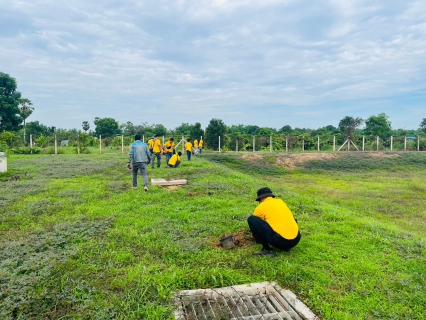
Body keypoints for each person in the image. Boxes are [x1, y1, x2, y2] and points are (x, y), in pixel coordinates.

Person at [247, 187, 301, 257]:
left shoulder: (261, 207)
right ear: (271, 196)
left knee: (251, 219)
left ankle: (267, 250)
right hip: (296, 239)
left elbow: (258, 224)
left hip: (280, 242)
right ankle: (287, 247)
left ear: (261, 199)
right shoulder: (280, 202)